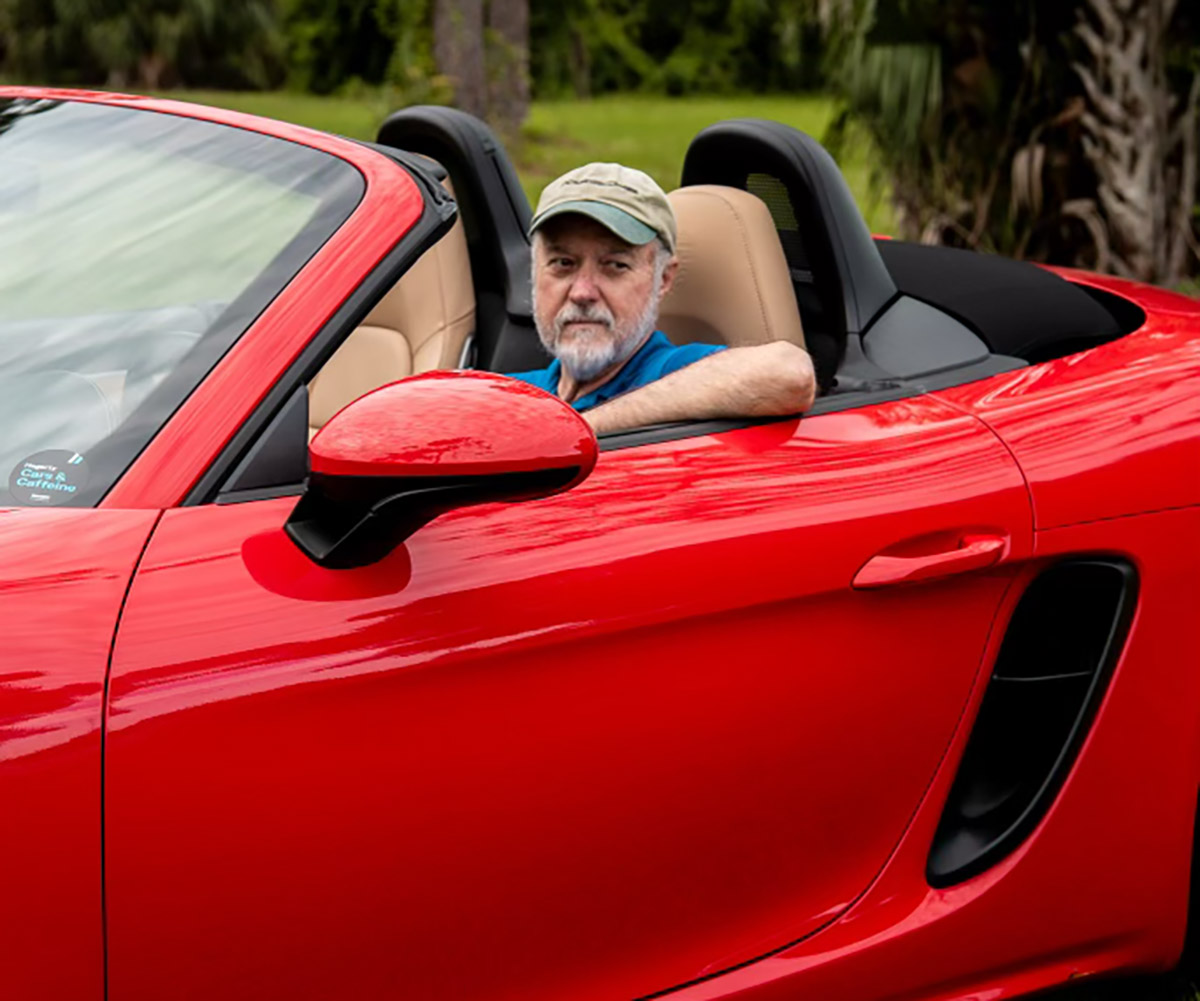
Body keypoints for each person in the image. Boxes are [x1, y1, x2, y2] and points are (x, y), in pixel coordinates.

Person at [507, 162, 816, 435]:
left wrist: (582, 429)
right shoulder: (512, 392)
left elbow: (790, 375)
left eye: (615, 266)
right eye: (563, 263)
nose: (582, 292)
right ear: (535, 273)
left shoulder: (673, 371)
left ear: (663, 279)